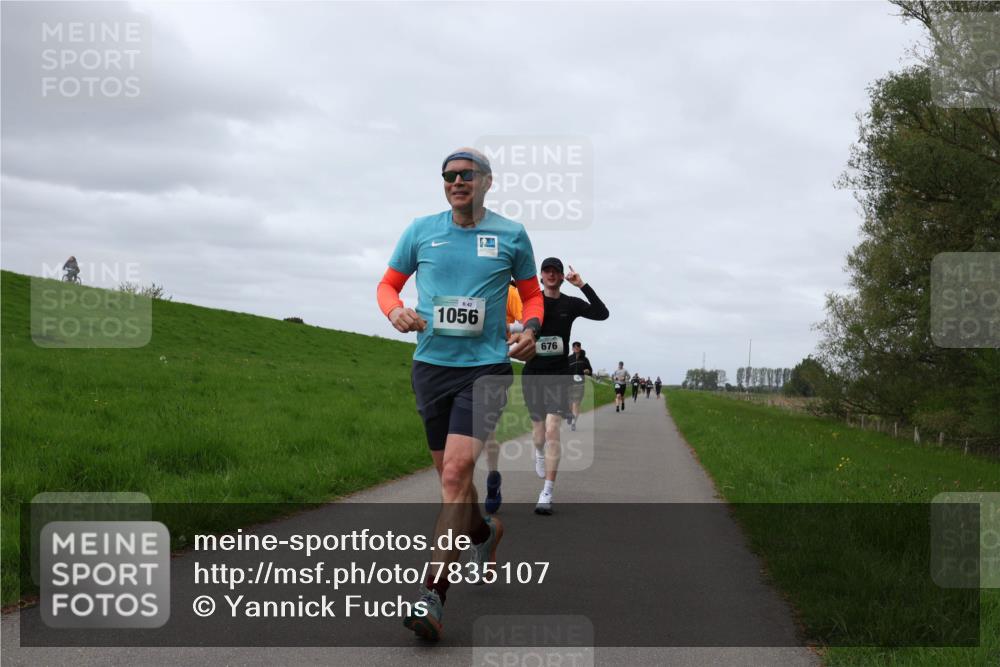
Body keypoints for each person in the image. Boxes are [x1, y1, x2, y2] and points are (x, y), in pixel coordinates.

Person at [377, 147, 543, 642]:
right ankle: (483, 532)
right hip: (430, 369)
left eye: (466, 174)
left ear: (487, 181)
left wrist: (531, 326)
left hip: (487, 370)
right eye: (448, 175)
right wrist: (394, 311)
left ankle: (433, 594)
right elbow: (387, 285)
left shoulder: (511, 235)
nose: (456, 181)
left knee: (454, 473)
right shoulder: (420, 231)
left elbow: (532, 294)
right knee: (453, 483)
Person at [519, 258, 608, 515]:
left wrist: (582, 285)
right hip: (533, 374)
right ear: (541, 275)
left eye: (555, 272)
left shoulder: (570, 303)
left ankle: (547, 491)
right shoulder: (532, 300)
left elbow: (602, 314)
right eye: (546, 271)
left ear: (560, 277)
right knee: (538, 435)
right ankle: (538, 453)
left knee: (552, 430)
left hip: (559, 375)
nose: (551, 274)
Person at [566, 342, 593, 431]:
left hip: (580, 384)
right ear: (572, 348)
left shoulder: (585, 359)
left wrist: (587, 371)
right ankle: (570, 416)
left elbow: (590, 371)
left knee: (576, 403)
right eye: (575, 347)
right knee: (569, 404)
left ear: (580, 348)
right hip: (569, 384)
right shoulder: (569, 359)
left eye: (578, 347)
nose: (577, 348)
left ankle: (574, 423)